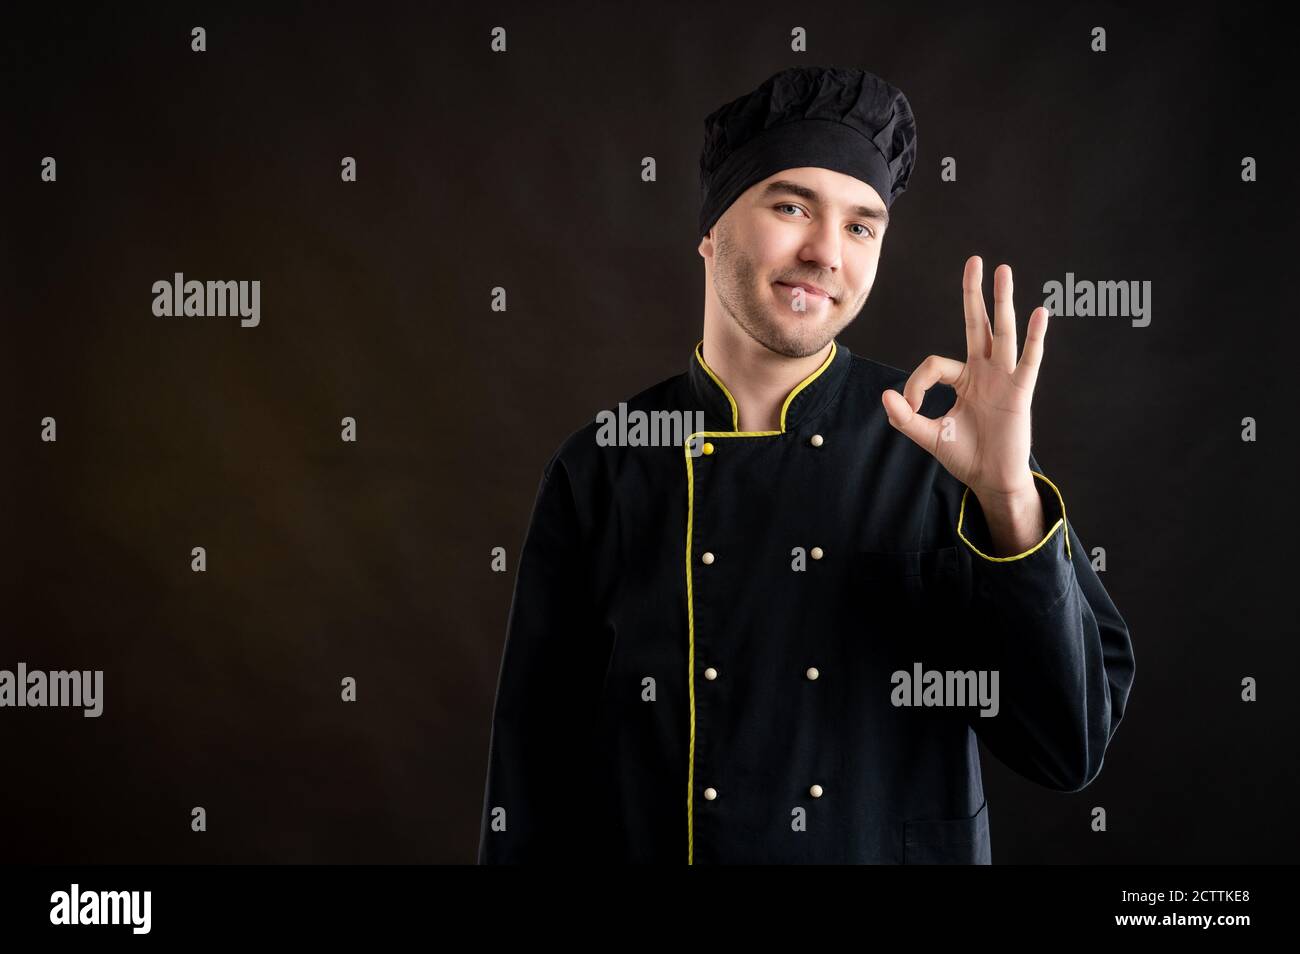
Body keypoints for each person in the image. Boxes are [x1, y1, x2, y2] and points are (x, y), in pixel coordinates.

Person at [477, 65, 1135, 864]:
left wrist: (1007, 496)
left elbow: (1067, 750)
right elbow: (533, 780)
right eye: (791, 206)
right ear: (712, 231)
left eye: (861, 226)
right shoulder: (603, 466)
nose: (824, 251)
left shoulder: (939, 445)